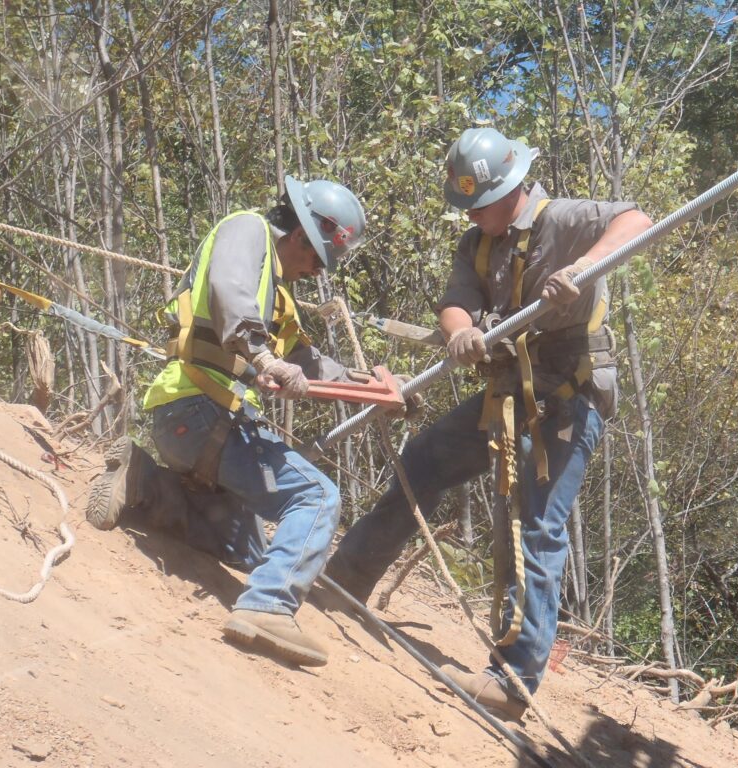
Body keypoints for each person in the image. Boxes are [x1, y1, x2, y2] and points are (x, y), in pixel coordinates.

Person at [324, 128, 653, 717]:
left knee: (537, 523)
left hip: (568, 396)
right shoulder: (476, 244)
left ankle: (513, 681)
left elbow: (636, 218)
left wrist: (581, 266)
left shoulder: (564, 218)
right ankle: (345, 580)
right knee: (420, 461)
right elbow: (455, 301)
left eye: (481, 201)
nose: (473, 212)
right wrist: (461, 332)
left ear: (514, 187)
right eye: (467, 204)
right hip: (504, 392)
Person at [86, 176, 374, 668]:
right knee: (317, 495)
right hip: (199, 408)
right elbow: (228, 289)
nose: (314, 272)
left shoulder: (278, 295)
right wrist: (262, 359)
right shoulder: (247, 231)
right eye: (316, 258)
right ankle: (266, 608)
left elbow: (305, 360)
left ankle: (145, 483)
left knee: (249, 551)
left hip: (203, 426)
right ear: (303, 234)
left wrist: (372, 387)